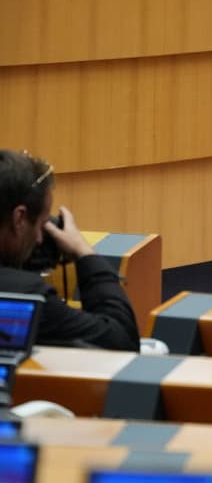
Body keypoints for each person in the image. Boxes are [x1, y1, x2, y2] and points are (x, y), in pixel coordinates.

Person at [0, 150, 139, 350]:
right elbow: (121, 341)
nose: (39, 239)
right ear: (19, 219)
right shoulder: (25, 297)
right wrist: (84, 253)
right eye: (41, 225)